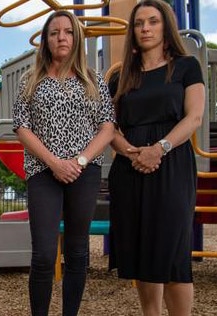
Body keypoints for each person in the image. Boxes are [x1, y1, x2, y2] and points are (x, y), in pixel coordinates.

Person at [12, 10, 115, 316]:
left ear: (76, 37)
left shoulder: (93, 79)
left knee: (78, 250)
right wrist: (55, 162)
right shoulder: (31, 79)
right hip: (43, 171)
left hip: (84, 172)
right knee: (44, 254)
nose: (61, 38)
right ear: (46, 40)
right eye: (54, 32)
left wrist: (80, 161)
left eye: (67, 32)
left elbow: (107, 126)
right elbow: (21, 126)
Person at [108, 0, 205, 315]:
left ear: (166, 26)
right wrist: (128, 151)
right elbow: (109, 127)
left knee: (173, 250)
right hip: (130, 167)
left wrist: (158, 148)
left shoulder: (187, 66)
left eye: (152, 21)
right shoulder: (121, 77)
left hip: (172, 164)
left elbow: (194, 118)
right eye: (138, 24)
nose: (145, 28)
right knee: (143, 252)